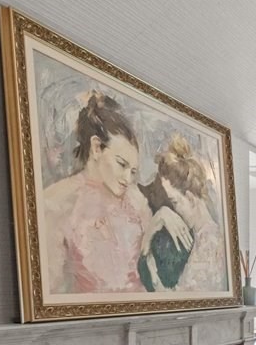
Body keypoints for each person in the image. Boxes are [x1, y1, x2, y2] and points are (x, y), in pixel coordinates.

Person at [42, 91, 191, 294]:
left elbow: (149, 271)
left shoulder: (135, 199)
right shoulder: (57, 201)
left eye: (133, 171)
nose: (128, 179)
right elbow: (51, 293)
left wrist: (158, 219)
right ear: (96, 147)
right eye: (121, 164)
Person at [138, 134, 227, 292]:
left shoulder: (208, 243)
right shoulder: (206, 237)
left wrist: (147, 252)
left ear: (191, 199)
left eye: (175, 202)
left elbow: (178, 301)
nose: (175, 211)